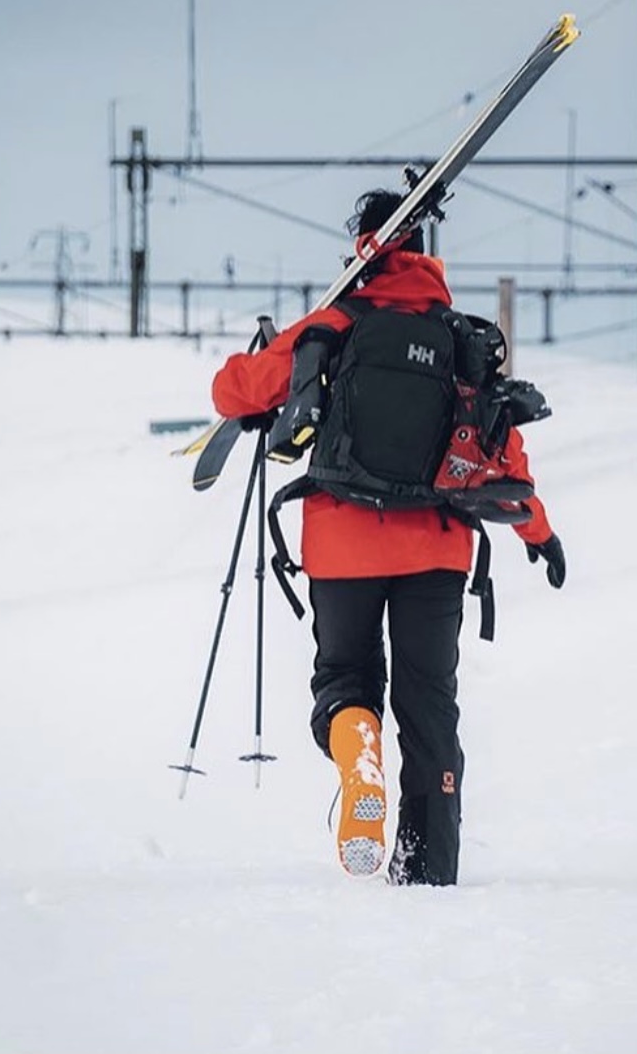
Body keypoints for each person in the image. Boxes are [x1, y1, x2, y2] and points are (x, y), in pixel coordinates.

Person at [210, 189, 565, 886]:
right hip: (435, 547)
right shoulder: (458, 338)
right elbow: (505, 458)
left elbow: (237, 393)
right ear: (426, 254)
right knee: (430, 704)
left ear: (363, 246)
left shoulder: (336, 322)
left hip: (343, 542)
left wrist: (266, 354)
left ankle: (357, 744)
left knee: (345, 680)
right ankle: (427, 867)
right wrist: (539, 533)